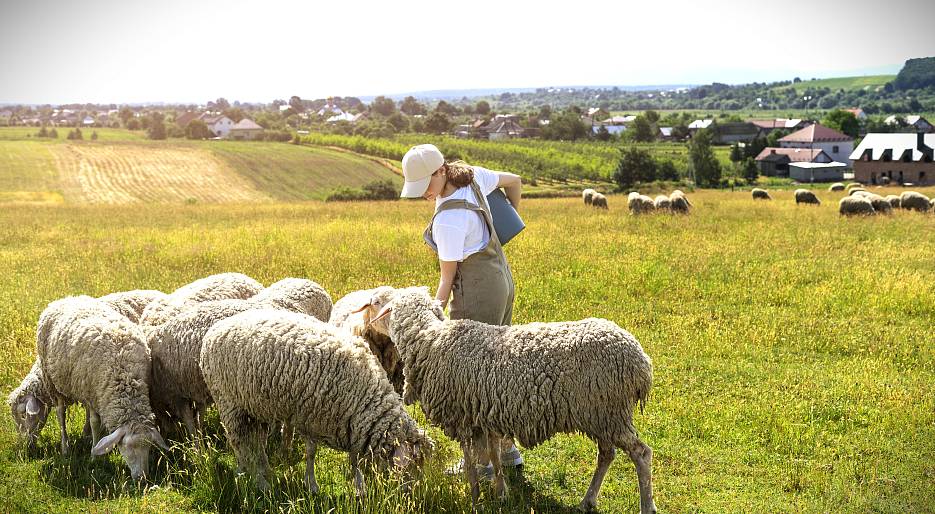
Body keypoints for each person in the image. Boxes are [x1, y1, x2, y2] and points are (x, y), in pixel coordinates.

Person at [400, 143, 524, 477]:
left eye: (426, 184)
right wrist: (507, 221)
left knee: (473, 379)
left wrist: (431, 317)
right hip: (501, 280)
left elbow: (447, 279)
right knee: (499, 367)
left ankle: (481, 462)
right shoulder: (474, 177)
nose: (423, 194)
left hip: (475, 294)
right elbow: (514, 181)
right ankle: (508, 449)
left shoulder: (449, 221)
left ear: (440, 172)